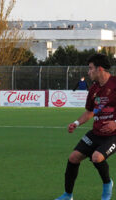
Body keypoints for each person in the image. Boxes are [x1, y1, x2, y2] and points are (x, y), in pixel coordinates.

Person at [55, 54, 116, 200]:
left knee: (97, 157)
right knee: (73, 158)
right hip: (96, 133)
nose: (88, 72)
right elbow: (90, 112)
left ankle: (107, 185)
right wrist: (76, 123)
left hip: (113, 135)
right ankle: (68, 195)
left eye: (90, 69)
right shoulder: (93, 90)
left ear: (99, 69)